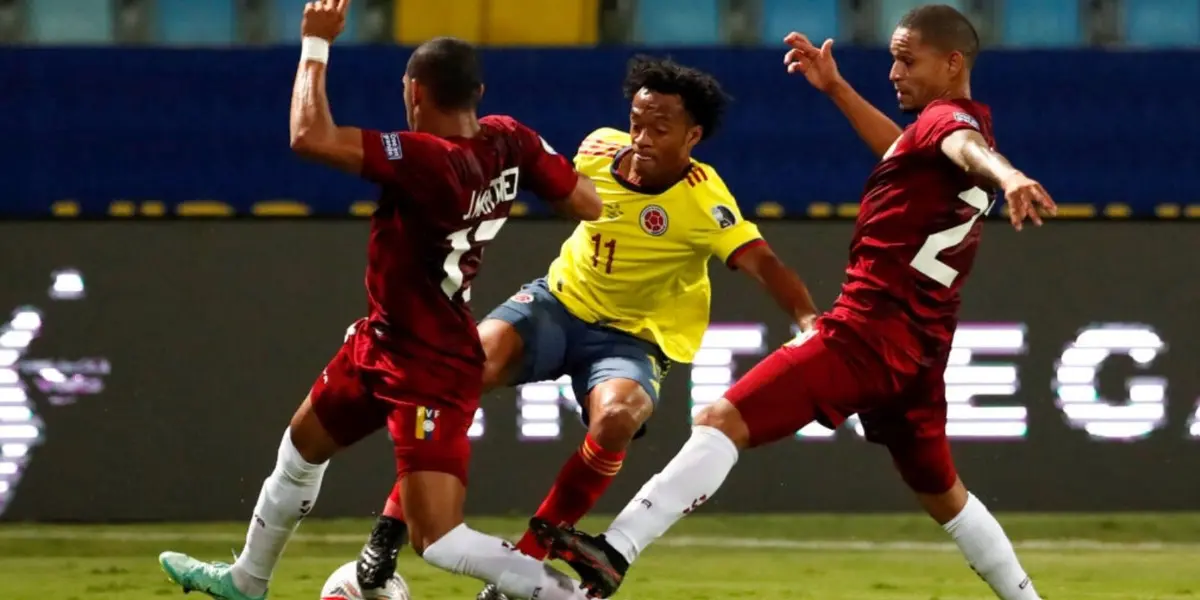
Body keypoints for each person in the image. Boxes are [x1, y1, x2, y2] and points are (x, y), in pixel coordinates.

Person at [529, 5, 1057, 600]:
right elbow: (914, 150)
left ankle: (616, 551)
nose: (893, 72)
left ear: (953, 62)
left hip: (865, 333)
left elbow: (962, 148)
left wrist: (1007, 176)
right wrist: (835, 88)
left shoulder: (954, 124)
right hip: (921, 346)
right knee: (943, 493)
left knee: (721, 421)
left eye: (907, 60)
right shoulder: (952, 127)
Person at [156, 2, 605, 600]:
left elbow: (308, 136)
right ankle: (246, 580)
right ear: (478, 91)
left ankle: (565, 595)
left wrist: (315, 43)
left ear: (414, 91)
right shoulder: (509, 139)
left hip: (431, 367)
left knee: (438, 538)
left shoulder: (428, 158)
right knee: (301, 447)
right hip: (383, 340)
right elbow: (587, 203)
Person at [355, 55, 820, 600]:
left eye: (659, 128)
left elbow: (764, 263)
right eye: (637, 122)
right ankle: (388, 531)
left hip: (633, 338)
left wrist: (808, 319)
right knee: (454, 374)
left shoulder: (705, 199)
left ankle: (526, 560)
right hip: (556, 305)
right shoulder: (598, 148)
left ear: (692, 135)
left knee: (618, 419)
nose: (641, 138)